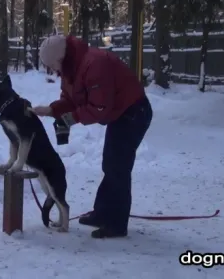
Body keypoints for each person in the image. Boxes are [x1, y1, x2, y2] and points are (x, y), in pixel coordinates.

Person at [30, 35, 152, 239]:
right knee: (110, 164)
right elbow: (70, 99)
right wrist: (52, 110)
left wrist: (71, 118)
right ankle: (103, 213)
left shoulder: (95, 64)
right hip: (120, 113)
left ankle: (116, 224)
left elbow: (100, 107)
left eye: (52, 66)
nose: (54, 71)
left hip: (133, 112)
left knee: (118, 167)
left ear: (60, 59)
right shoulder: (71, 68)